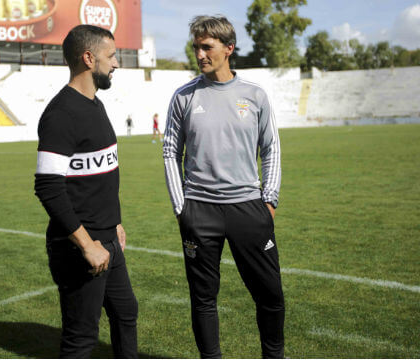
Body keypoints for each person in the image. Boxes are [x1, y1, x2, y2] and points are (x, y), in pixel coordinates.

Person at [163, 15, 284, 358]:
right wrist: (181, 206)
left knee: (270, 295)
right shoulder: (184, 97)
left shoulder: (255, 95)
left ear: (228, 48)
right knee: (203, 298)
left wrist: (269, 200)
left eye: (207, 46)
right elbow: (170, 150)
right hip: (199, 211)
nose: (200, 54)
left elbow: (271, 147)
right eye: (196, 47)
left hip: (249, 208)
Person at [34, 24, 138, 359]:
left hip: (108, 238)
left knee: (126, 312)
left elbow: (104, 176)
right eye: (111, 56)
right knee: (81, 339)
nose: (116, 63)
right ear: (88, 58)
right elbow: (48, 187)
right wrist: (87, 244)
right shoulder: (61, 114)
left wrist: (116, 223)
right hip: (80, 246)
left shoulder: (96, 104)